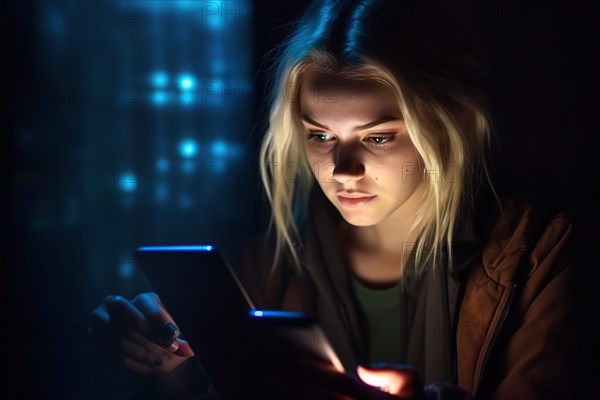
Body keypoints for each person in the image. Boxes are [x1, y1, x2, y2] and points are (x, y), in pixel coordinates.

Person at [89, 0, 596, 399]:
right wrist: (165, 370)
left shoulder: (541, 254)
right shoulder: (271, 266)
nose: (342, 170)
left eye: (377, 138)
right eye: (320, 136)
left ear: (444, 128)